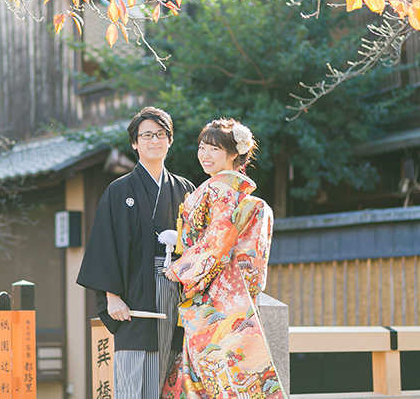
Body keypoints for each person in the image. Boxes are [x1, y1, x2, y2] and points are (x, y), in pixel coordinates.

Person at [161, 118, 285, 399]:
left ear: (233, 155)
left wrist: (180, 268)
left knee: (205, 371)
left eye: (214, 149)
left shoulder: (219, 189)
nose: (205, 155)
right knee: (221, 374)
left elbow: (217, 241)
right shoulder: (237, 194)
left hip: (212, 289)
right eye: (202, 147)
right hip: (230, 288)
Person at [77, 107, 196, 399]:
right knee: (134, 378)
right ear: (134, 143)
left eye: (161, 134)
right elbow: (105, 244)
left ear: (170, 140)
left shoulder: (185, 189)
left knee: (172, 374)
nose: (154, 140)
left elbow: (199, 245)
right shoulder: (118, 191)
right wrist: (111, 295)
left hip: (177, 292)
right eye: (147, 135)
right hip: (134, 294)